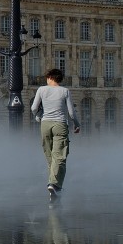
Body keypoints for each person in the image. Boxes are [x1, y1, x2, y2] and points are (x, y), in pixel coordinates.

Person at [31, 68, 80, 198]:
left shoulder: (41, 90)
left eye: (47, 77)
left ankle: (54, 185)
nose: (46, 80)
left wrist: (38, 116)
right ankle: (54, 184)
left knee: (50, 156)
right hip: (60, 124)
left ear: (50, 77)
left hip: (45, 124)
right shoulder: (65, 91)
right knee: (60, 156)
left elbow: (34, 108)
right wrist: (77, 124)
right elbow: (71, 112)